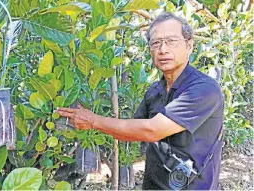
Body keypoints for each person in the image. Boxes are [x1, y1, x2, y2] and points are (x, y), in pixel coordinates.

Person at [56, 12, 224, 190]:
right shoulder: (155, 91)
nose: (163, 49)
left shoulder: (203, 89)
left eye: (171, 41)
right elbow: (132, 131)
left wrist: (93, 120)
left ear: (189, 45)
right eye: (156, 43)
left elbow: (152, 130)